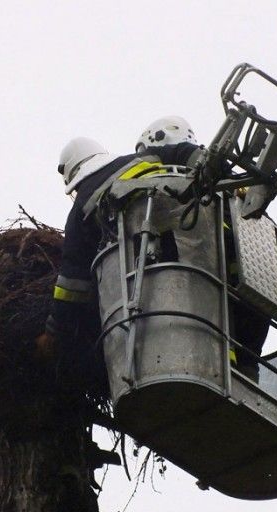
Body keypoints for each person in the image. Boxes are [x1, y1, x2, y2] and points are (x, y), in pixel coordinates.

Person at [36, 118, 202, 358]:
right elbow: (182, 151)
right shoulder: (142, 158)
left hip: (142, 276)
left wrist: (53, 333)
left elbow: (71, 283)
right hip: (191, 249)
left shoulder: (81, 206)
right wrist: (211, 170)